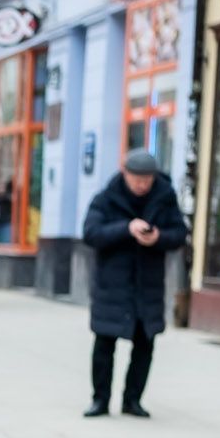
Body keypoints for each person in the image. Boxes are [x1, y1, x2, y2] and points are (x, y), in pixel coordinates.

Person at [81, 149, 188, 418]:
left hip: (147, 286)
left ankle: (133, 400)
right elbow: (91, 233)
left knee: (144, 345)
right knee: (104, 344)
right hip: (112, 285)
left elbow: (179, 234)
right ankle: (100, 400)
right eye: (137, 179)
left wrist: (158, 237)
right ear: (125, 173)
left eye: (147, 180)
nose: (141, 184)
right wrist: (126, 228)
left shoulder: (165, 197)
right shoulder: (106, 198)